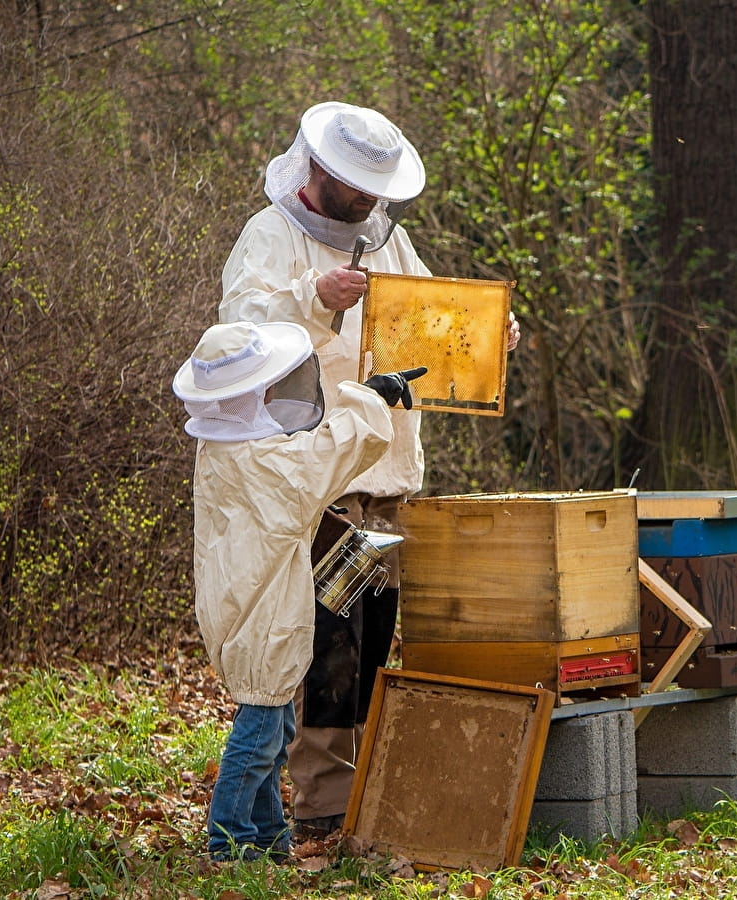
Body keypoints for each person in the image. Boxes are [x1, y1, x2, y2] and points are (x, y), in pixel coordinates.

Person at [218, 100, 520, 838]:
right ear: (318, 169)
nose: (368, 201)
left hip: (386, 481)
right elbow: (235, 340)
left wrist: (489, 337)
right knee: (330, 644)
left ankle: (365, 796)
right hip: (318, 480)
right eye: (357, 186)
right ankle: (323, 804)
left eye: (375, 187)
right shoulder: (270, 236)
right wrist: (311, 300)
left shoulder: (389, 238)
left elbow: (429, 329)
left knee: (375, 638)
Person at [171, 318, 425, 861]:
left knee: (274, 718)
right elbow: (324, 458)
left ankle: (269, 836)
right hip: (261, 614)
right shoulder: (265, 466)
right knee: (261, 727)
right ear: (250, 394)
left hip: (244, 603)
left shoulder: (225, 452)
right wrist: (369, 398)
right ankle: (229, 840)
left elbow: (301, 452)